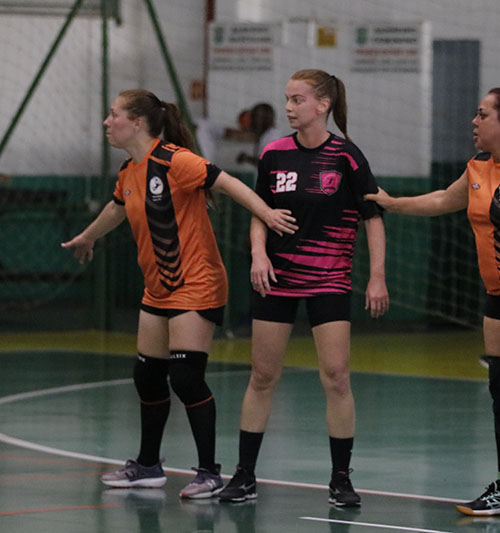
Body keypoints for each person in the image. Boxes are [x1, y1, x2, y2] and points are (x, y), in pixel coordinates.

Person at [61, 89, 298, 499]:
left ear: (137, 123)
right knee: (147, 375)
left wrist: (266, 213)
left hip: (196, 282)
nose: (107, 122)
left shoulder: (175, 161)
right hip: (158, 288)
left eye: (114, 114)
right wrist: (88, 236)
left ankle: (209, 472)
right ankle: (148, 466)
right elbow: (117, 208)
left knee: (186, 377)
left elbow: (227, 183)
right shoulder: (129, 171)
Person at [365, 88, 500, 525]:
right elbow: (444, 199)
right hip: (499, 291)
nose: (474, 122)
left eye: (482, 115)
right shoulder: (479, 167)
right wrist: (391, 203)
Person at [217, 69, 389, 507]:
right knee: (261, 376)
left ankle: (341, 479)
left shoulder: (347, 156)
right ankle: (245, 474)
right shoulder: (274, 154)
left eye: (298, 100)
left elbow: (373, 218)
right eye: (288, 99)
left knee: (336, 377)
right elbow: (260, 210)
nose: (289, 108)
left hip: (329, 279)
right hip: (276, 278)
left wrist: (377, 276)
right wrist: (259, 254)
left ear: (323, 105)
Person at [236, 102, 281, 168]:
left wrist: (246, 158)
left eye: (254, 117)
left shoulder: (272, 138)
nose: (252, 122)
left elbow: (268, 163)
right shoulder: (265, 136)